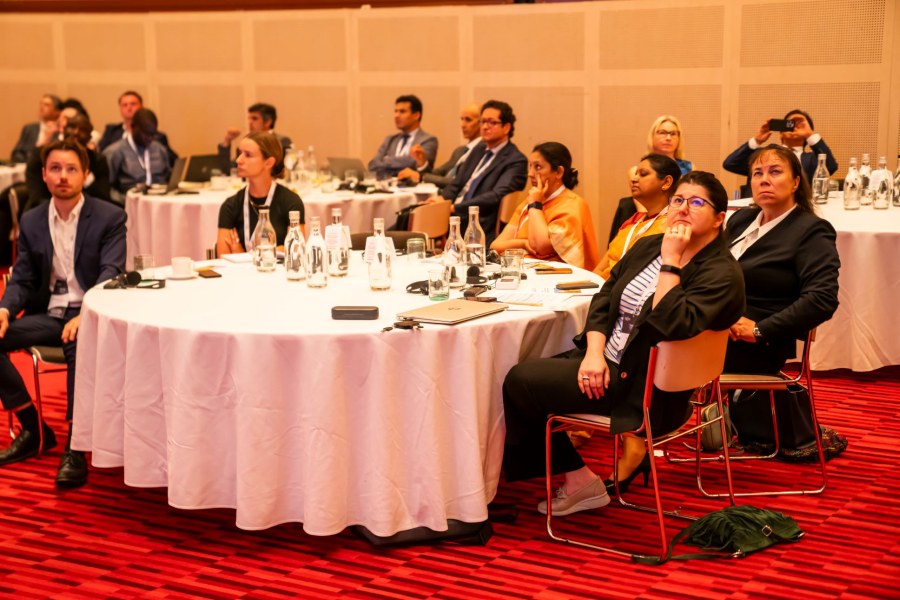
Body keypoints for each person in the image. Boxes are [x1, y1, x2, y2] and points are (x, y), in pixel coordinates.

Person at [501, 171, 744, 516]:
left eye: (696, 202)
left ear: (719, 218)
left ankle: (577, 480)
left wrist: (671, 262)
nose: (682, 209)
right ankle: (551, 472)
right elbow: (605, 297)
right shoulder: (649, 246)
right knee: (522, 369)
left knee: (520, 382)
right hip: (607, 361)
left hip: (644, 388)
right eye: (678, 200)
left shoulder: (721, 273)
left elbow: (669, 324)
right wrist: (594, 354)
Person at [0, 139, 127, 487]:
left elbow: (111, 273)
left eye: (71, 169)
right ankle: (33, 428)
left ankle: (76, 446)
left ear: (85, 174)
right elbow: (23, 277)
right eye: (55, 169)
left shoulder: (110, 216)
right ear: (44, 174)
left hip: (88, 312)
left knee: (78, 343)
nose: (63, 176)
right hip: (50, 314)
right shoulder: (32, 219)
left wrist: (87, 312)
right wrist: (5, 309)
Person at [724, 145, 840, 446]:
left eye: (775, 172)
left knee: (656, 346)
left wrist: (760, 330)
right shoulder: (741, 220)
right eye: (757, 173)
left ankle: (641, 434)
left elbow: (822, 299)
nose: (764, 179)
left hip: (757, 342)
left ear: (796, 182)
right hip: (719, 328)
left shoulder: (811, 231)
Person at [426, 100, 527, 244]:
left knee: (415, 223)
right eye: (483, 121)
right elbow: (457, 183)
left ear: (506, 127)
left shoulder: (515, 160)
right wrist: (442, 199)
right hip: (454, 215)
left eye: (491, 122)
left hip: (478, 222)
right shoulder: (479, 149)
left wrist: (455, 208)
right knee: (412, 213)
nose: (485, 127)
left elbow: (495, 196)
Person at [491, 142, 601, 271]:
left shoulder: (573, 205)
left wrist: (535, 206)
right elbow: (495, 246)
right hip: (525, 271)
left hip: (560, 276)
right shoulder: (529, 201)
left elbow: (541, 247)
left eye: (538, 167)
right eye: (530, 166)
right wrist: (523, 244)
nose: (530, 173)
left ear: (558, 172)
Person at [216, 131, 304, 256]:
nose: (238, 160)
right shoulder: (231, 206)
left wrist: (244, 255)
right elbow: (223, 259)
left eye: (248, 155)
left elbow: (297, 252)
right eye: (240, 153)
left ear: (268, 163)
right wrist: (277, 250)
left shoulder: (291, 203)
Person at [595, 154, 681, 280]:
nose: (634, 179)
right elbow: (600, 268)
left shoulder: (673, 227)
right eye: (635, 174)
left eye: (643, 174)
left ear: (666, 182)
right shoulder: (633, 221)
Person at [723, 110, 837, 191]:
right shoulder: (761, 155)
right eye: (789, 124)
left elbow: (831, 166)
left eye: (799, 125)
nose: (793, 127)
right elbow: (730, 164)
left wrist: (810, 135)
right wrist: (757, 140)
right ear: (781, 133)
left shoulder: (812, 159)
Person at [25, 112, 111, 210]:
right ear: (63, 130)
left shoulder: (98, 160)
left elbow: (104, 198)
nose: (76, 132)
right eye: (72, 127)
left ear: (90, 137)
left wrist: (88, 181)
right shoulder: (40, 155)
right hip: (45, 211)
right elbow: (37, 197)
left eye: (82, 130)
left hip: (89, 213)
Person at [397, 103, 481, 188]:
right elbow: (436, 174)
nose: (462, 125)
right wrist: (422, 163)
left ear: (481, 123)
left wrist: (420, 177)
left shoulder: (481, 152)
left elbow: (458, 182)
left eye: (468, 120)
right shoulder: (460, 151)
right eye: (462, 119)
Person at [104, 108, 172, 203]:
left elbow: (169, 178)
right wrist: (126, 200)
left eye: (153, 134)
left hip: (160, 202)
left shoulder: (160, 150)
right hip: (128, 204)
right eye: (146, 133)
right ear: (133, 127)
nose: (150, 138)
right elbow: (105, 188)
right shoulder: (115, 152)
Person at [368, 95, 438, 180]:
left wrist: (386, 160)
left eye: (402, 112)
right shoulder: (390, 139)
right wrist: (405, 161)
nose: (396, 115)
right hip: (386, 184)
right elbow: (373, 165)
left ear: (416, 115)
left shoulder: (428, 140)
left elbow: (416, 163)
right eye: (395, 111)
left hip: (412, 186)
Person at [97, 90, 177, 163]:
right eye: (124, 105)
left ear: (141, 106)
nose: (129, 108)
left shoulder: (157, 136)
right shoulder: (111, 132)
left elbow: (172, 160)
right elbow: (101, 156)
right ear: (120, 109)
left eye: (133, 104)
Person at [218, 102, 292, 174]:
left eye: (254, 118)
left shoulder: (282, 141)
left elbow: (280, 171)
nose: (250, 122)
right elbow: (228, 170)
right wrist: (227, 141)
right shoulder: (248, 142)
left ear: (268, 122)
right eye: (249, 118)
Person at [10, 94, 62, 163]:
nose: (41, 107)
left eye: (47, 105)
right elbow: (16, 154)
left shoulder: (60, 130)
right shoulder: (29, 129)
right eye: (41, 104)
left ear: (57, 111)